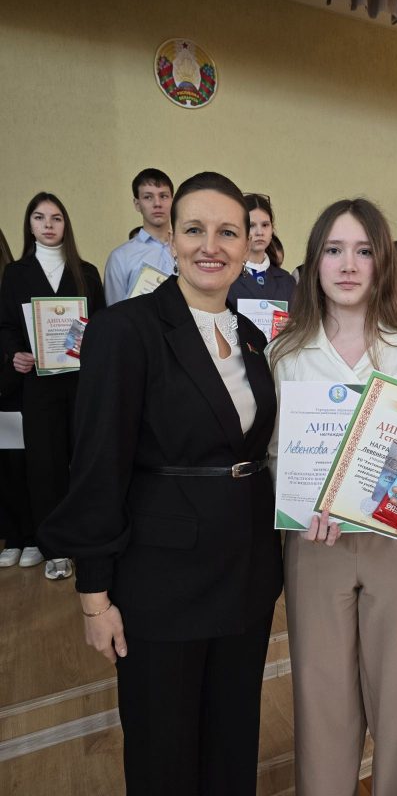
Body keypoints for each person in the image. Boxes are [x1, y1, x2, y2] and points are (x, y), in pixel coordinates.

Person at [38, 172, 283, 795]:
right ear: (170, 238)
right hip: (161, 581)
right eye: (195, 229)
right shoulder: (126, 329)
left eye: (228, 232)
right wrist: (94, 597)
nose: (211, 246)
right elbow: (96, 465)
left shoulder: (253, 338)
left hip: (245, 572)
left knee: (232, 740)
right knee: (162, 749)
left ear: (248, 243)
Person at [268, 198, 397, 796]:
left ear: (383, 263)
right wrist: (296, 500)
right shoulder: (286, 352)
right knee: (322, 703)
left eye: (363, 251)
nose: (348, 265)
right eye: (334, 250)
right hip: (316, 545)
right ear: (314, 262)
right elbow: (275, 453)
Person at [0, 194, 105, 579]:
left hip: (81, 383)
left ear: (66, 224)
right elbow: (6, 326)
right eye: (40, 217)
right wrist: (15, 354)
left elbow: (102, 323)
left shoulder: (86, 272)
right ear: (29, 225)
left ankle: (87, 539)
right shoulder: (16, 273)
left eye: (56, 217)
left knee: (85, 462)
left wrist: (88, 346)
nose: (48, 224)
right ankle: (55, 548)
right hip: (38, 385)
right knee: (45, 467)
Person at [0, 229, 36, 568]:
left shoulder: (13, 282)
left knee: (15, 463)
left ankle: (25, 537)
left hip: (9, 393)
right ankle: (13, 535)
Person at [104, 168, 175, 305]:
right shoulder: (120, 257)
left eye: (163, 196)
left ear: (173, 201)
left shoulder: (188, 249)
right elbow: (114, 311)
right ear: (137, 204)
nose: (157, 204)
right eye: (148, 197)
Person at [227, 193, 295, 309]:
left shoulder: (287, 281)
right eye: (251, 225)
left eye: (265, 225)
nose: (260, 232)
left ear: (272, 229)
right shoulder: (226, 278)